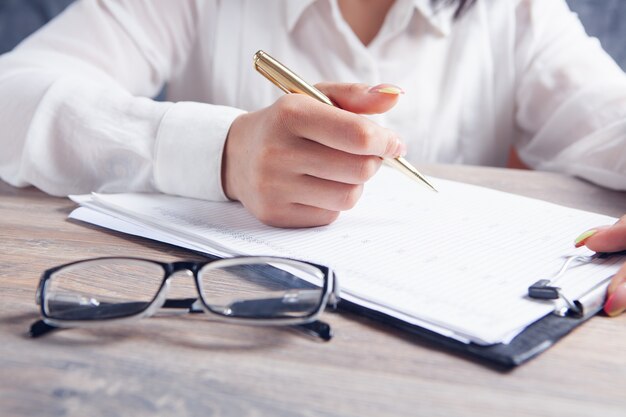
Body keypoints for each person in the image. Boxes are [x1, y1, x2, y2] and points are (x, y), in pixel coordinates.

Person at [0, 0, 624, 313]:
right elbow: (11, 97)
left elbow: (611, 119)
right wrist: (223, 152)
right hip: (221, 316)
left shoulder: (517, 13)